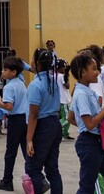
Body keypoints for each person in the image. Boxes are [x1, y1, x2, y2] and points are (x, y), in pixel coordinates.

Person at [69, 52, 104, 194]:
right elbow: (89, 124)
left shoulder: (86, 91)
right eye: (94, 69)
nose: (97, 72)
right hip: (89, 144)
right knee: (86, 189)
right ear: (82, 72)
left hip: (97, 143)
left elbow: (71, 118)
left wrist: (92, 125)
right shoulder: (82, 94)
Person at [25, 49, 62, 194]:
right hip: (55, 123)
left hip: (42, 126)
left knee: (33, 168)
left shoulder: (35, 85)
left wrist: (29, 139)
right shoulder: (53, 81)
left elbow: (33, 114)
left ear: (37, 63)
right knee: (52, 168)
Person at [0, 56, 29, 191]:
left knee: (10, 152)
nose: (2, 71)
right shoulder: (21, 83)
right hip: (25, 119)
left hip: (15, 120)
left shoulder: (9, 87)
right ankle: (37, 177)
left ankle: (7, 180)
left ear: (13, 72)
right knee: (26, 151)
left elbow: (9, 106)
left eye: (5, 69)